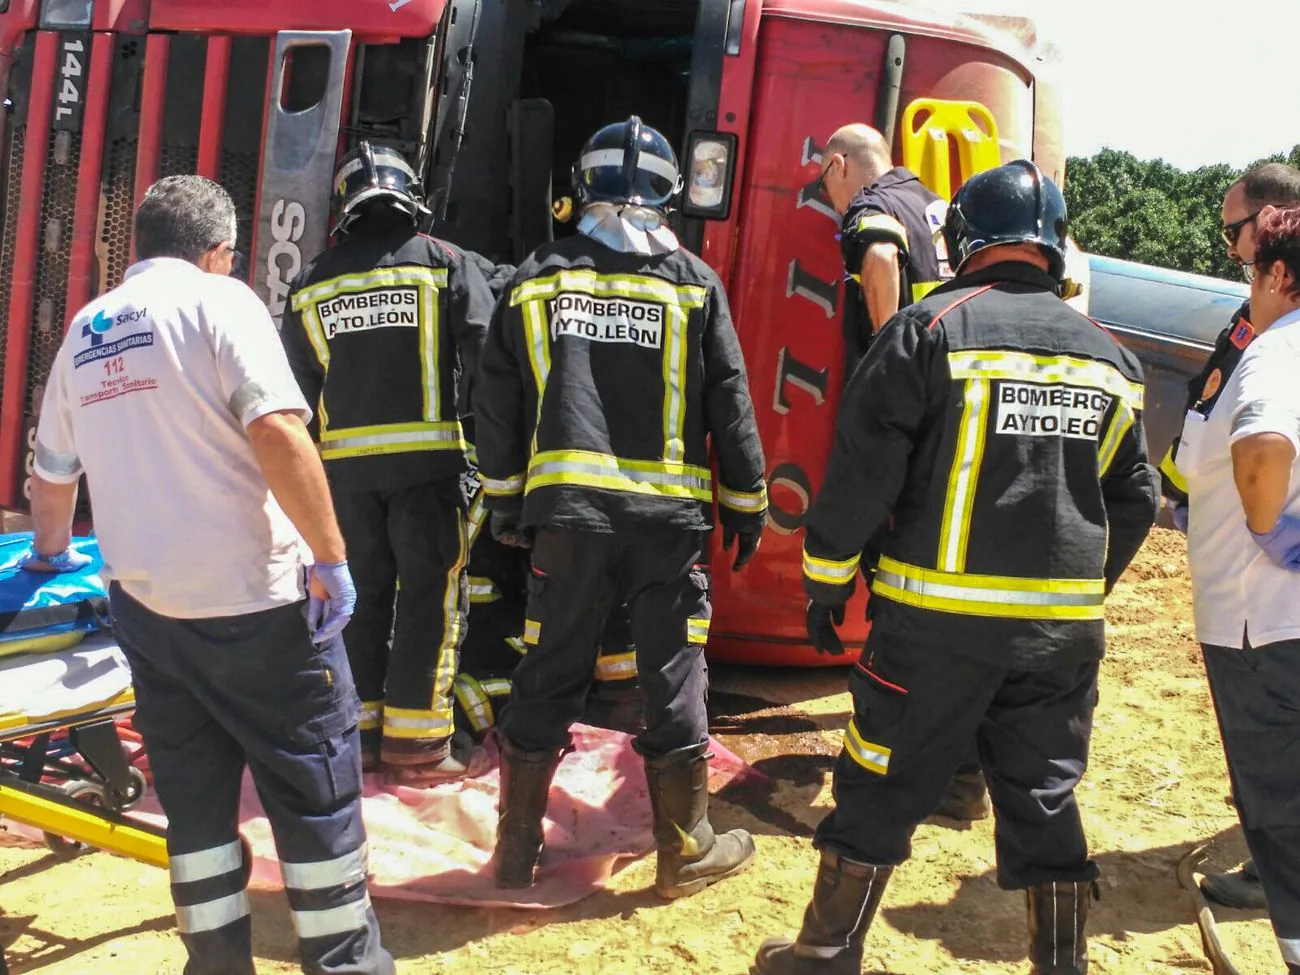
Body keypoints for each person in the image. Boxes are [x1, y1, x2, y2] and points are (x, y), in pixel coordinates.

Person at [754, 160, 1159, 975]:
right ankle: (1061, 962)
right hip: (1058, 640)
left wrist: (827, 584)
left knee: (879, 776)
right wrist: (1078, 589)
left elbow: (863, 476)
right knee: (1044, 791)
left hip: (930, 634)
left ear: (965, 238)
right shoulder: (1113, 358)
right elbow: (1137, 499)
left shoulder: (928, 330)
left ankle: (828, 951)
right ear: (1052, 248)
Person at [22, 175, 393, 975]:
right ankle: (345, 963)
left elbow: (51, 481)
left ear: (139, 245)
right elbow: (277, 431)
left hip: (152, 619)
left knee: (193, 808)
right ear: (219, 251)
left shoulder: (84, 331)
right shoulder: (224, 305)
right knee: (315, 797)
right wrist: (331, 558)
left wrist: (51, 559)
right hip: (261, 610)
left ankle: (216, 965)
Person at [473, 116, 768, 898]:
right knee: (673, 669)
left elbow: (496, 403)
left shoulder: (535, 276)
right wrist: (746, 503)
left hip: (569, 518)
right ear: (669, 195)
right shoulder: (693, 282)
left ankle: (513, 851)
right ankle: (684, 849)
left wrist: (507, 503)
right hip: (666, 529)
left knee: (549, 665)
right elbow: (730, 401)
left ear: (583, 186)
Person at [281, 141, 494, 786]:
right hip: (429, 473)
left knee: (359, 602)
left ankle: (360, 736)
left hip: (343, 480)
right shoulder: (444, 265)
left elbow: (292, 390)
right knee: (431, 599)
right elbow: (485, 353)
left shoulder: (312, 281)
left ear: (346, 209)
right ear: (411, 199)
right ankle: (420, 749)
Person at [816, 122, 988, 823]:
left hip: (910, 422)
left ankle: (903, 771)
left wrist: (890, 353)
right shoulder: (932, 199)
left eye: (825, 184)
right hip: (954, 414)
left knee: (899, 598)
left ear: (838, 167)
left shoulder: (870, 208)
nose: (828, 199)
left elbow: (880, 256)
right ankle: (964, 775)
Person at [1159, 162, 1300, 910]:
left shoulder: (1279, 332)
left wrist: (1264, 521)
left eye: (1234, 231)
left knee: (1277, 753)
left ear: (1273, 223)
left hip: (1265, 600)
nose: (1228, 249)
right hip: (1248, 587)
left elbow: (1263, 441)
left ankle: (1277, 867)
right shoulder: (1256, 320)